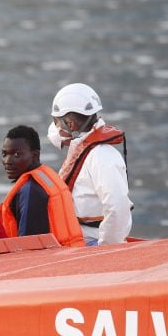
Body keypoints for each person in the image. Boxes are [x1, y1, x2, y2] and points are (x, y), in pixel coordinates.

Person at [48, 83, 132, 245]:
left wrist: (106, 249)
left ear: (70, 124)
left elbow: (117, 207)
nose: (55, 128)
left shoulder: (102, 156)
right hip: (78, 239)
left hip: (92, 243)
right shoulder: (84, 150)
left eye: (56, 122)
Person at [0, 125, 85, 247]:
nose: (7, 161)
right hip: (71, 254)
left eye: (17, 154)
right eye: (4, 154)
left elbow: (30, 245)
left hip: (53, 261)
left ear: (35, 156)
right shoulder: (47, 178)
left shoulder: (30, 191)